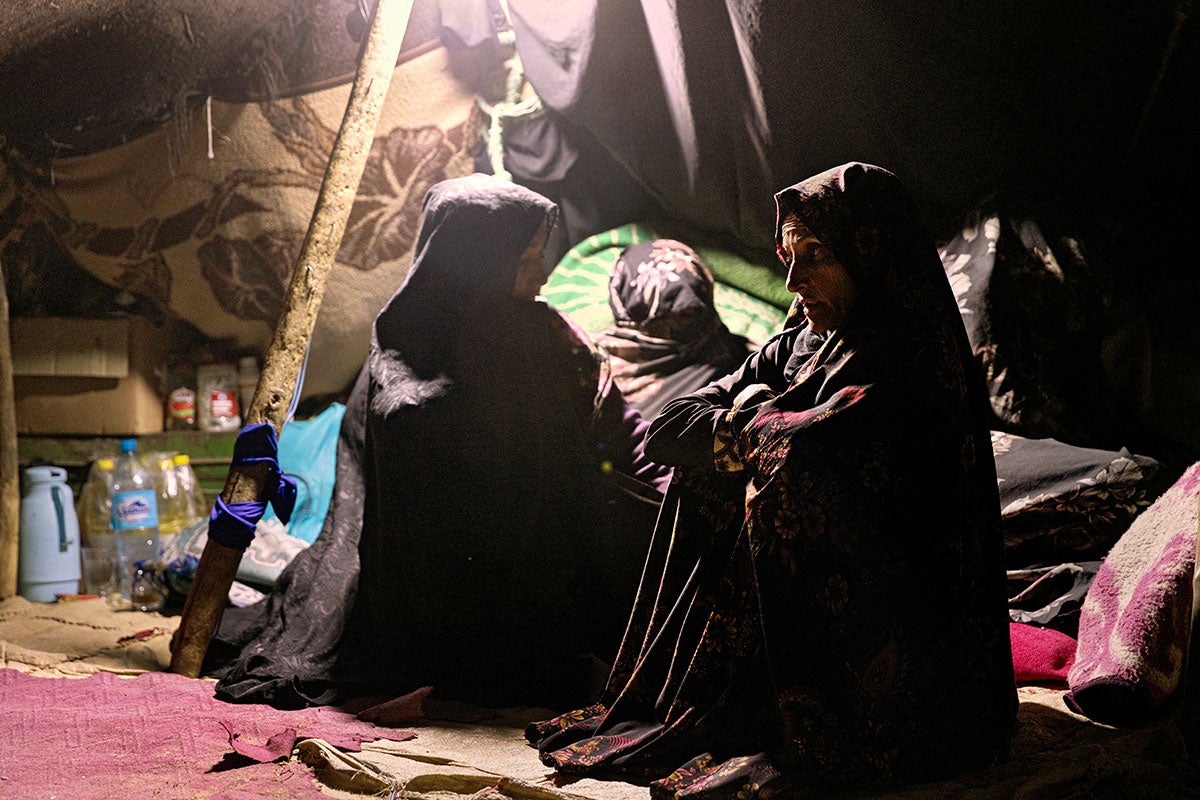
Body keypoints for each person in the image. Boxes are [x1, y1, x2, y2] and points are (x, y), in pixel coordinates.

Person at [526, 163, 1018, 796]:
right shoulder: (805, 341)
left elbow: (805, 454)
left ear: (867, 254)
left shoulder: (911, 361)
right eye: (790, 253)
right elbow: (671, 429)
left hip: (899, 646)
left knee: (780, 484)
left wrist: (746, 418)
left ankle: (807, 721)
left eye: (816, 255)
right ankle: (727, 699)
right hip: (812, 609)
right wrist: (759, 418)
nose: (793, 278)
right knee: (708, 472)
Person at [211, 174, 668, 710]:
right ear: (475, 260)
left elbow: (619, 428)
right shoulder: (403, 342)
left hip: (545, 566)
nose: (541, 277)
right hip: (431, 586)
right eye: (525, 261)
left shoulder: (550, 338)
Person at [594, 239, 752, 421]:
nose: (681, 323)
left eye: (693, 311)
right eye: (662, 317)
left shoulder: (746, 363)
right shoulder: (590, 365)